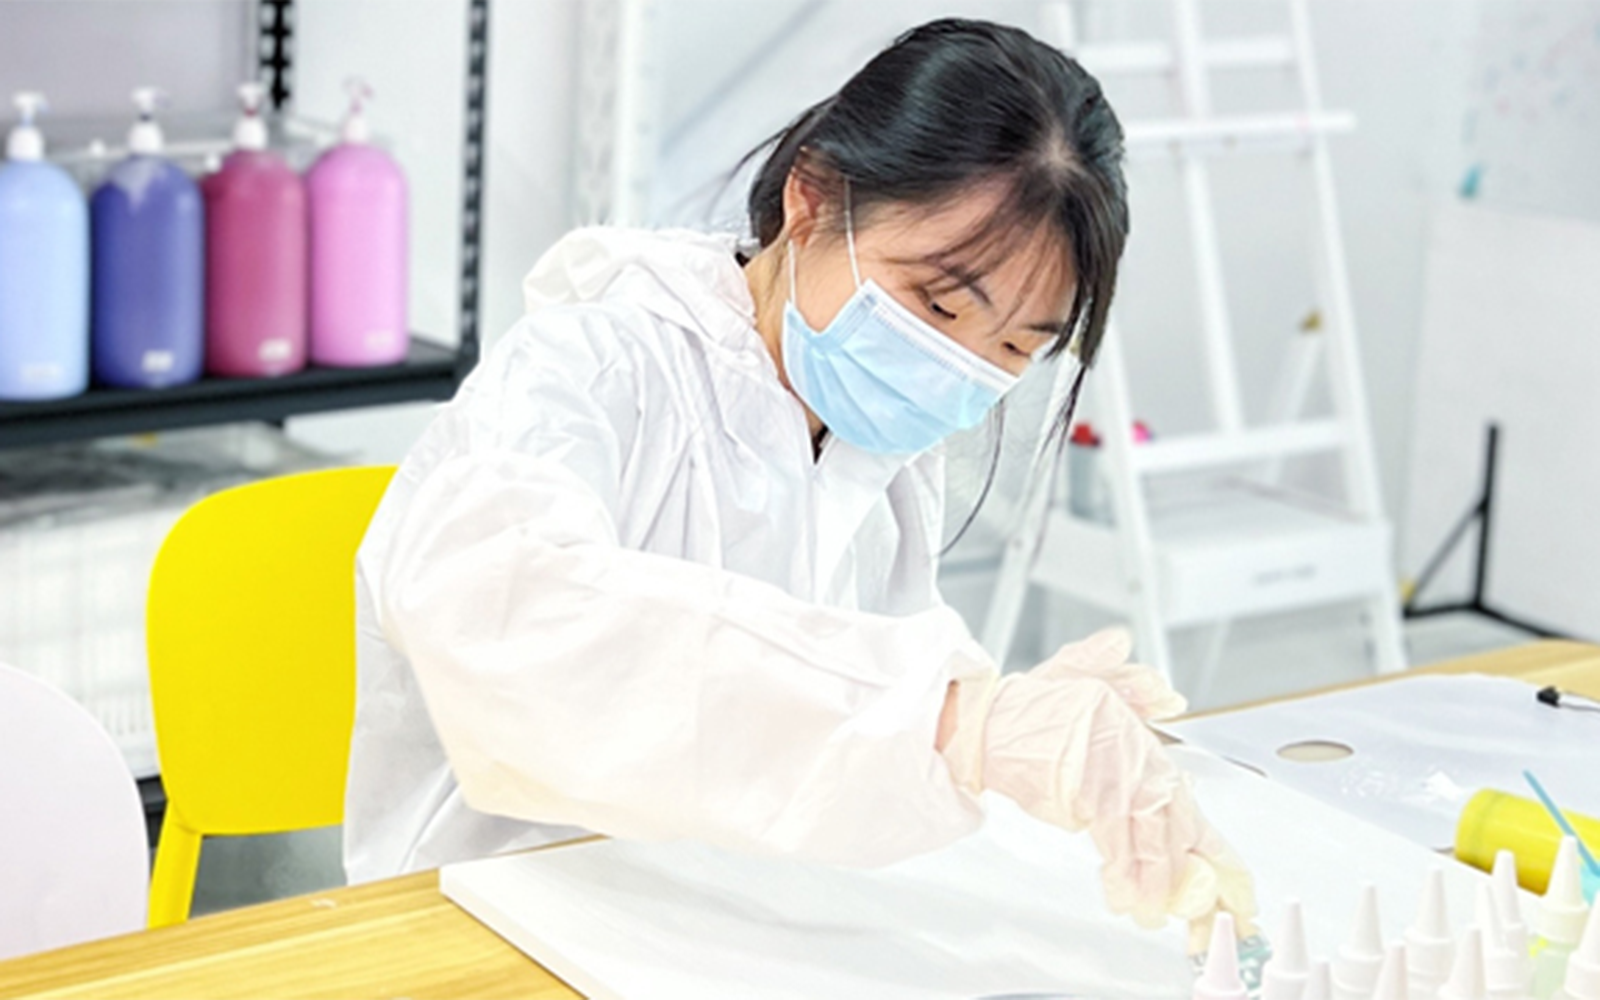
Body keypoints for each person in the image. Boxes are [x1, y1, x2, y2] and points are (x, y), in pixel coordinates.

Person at [344, 17, 1256, 949]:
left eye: (1017, 347)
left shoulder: (869, 442)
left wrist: (1004, 736)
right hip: (496, 922)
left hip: (714, 920)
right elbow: (519, 633)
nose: (960, 369)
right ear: (814, 200)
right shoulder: (591, 365)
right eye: (939, 304)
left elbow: (827, 723)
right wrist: (952, 720)